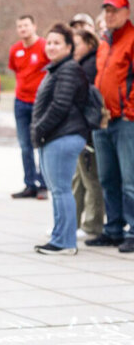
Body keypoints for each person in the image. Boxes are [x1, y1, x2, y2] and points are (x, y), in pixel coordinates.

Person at [31, 24, 89, 255]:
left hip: (63, 136)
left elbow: (60, 106)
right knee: (57, 190)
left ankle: (65, 242)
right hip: (53, 136)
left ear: (68, 46)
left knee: (62, 189)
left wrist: (39, 129)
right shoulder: (57, 69)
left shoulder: (68, 69)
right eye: (49, 42)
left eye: (57, 43)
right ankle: (59, 236)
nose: (52, 46)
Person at [85, 0, 134, 253]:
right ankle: (113, 229)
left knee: (130, 180)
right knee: (107, 178)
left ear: (127, 12)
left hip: (125, 120)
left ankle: (133, 230)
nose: (109, 15)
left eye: (114, 10)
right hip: (103, 120)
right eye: (106, 10)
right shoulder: (105, 42)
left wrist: (129, 111)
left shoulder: (132, 39)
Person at [9, 15, 50, 200]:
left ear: (34, 26)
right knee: (25, 145)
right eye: (19, 26)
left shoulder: (43, 46)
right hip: (20, 102)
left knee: (41, 142)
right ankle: (29, 184)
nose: (23, 29)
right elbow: (16, 71)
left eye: (26, 25)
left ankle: (43, 184)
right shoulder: (15, 50)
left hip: (40, 102)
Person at [72, 29, 105, 239]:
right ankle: (78, 222)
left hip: (88, 130)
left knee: (91, 178)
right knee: (81, 178)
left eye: (77, 43)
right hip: (81, 128)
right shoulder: (81, 65)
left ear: (89, 44)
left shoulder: (90, 66)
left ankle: (93, 224)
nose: (73, 48)